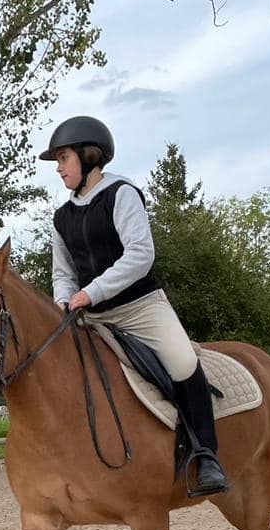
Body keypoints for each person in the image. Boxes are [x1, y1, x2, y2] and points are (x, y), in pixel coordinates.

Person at [39, 115, 228, 497]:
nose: (58, 168)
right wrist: (63, 300)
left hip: (140, 309)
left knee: (183, 362)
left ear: (88, 156)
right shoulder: (61, 218)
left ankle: (206, 455)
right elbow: (63, 273)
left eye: (63, 158)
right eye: (57, 161)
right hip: (90, 316)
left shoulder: (122, 194)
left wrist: (91, 291)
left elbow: (140, 255)